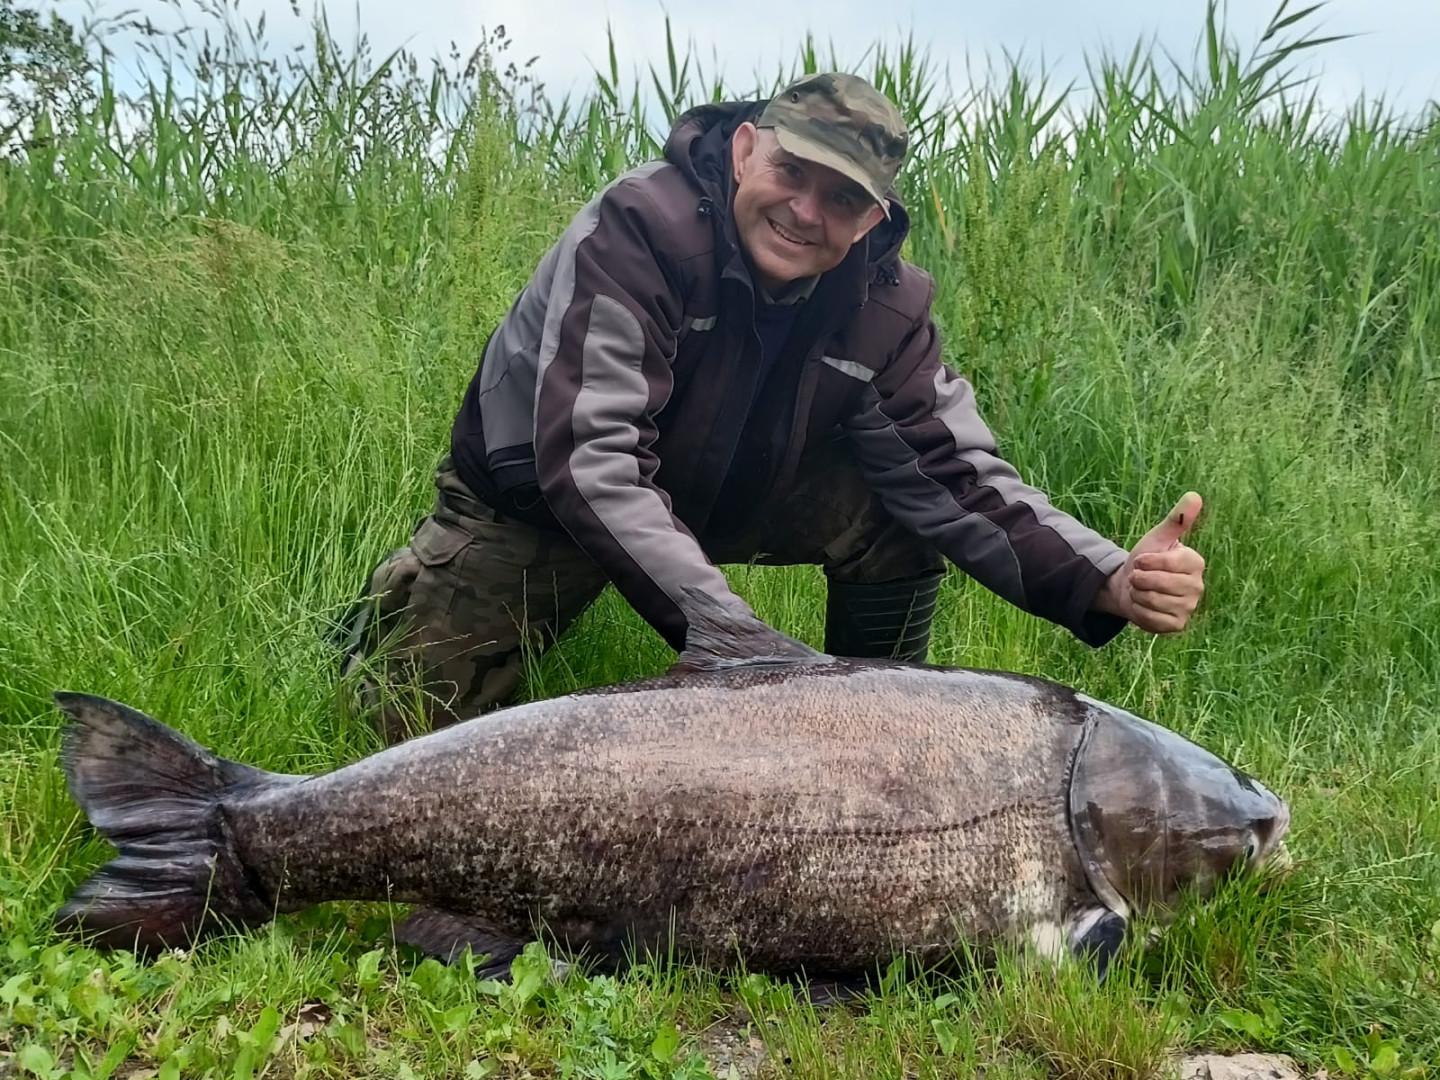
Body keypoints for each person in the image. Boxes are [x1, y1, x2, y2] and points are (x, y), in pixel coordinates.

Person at [336, 71, 1206, 743]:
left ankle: (864, 734)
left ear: (872, 219)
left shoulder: (887, 305)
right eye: (793, 172)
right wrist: (742, 650)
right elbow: (592, 463)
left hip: (727, 491)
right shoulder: (640, 230)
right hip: (541, 504)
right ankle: (396, 605)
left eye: (843, 199)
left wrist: (1108, 578)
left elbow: (958, 476)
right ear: (747, 148)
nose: (805, 212)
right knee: (398, 729)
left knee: (899, 510)